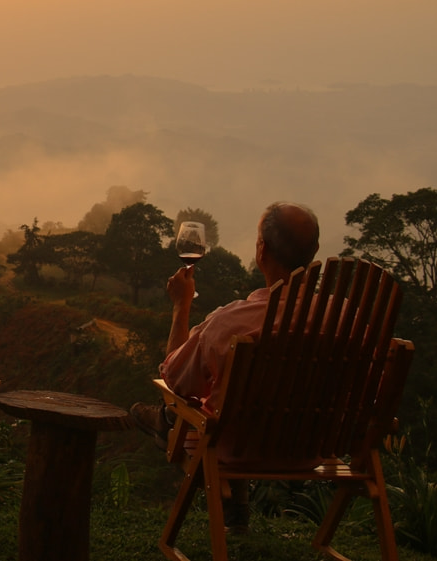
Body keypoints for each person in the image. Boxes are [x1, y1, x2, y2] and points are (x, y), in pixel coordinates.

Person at [130, 201, 320, 532]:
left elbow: (176, 381)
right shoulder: (350, 320)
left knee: (194, 410)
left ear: (261, 250)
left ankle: (165, 421)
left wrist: (181, 306)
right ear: (314, 254)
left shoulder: (231, 323)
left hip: (238, 447)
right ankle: (235, 505)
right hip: (314, 450)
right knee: (228, 403)